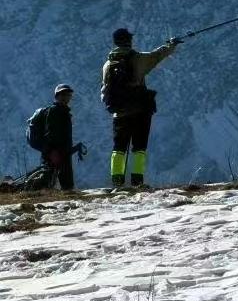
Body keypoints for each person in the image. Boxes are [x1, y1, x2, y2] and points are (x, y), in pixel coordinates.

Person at [102, 27, 180, 188]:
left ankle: (117, 181)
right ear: (129, 40)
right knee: (139, 147)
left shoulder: (107, 65)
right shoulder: (137, 58)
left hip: (119, 113)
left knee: (119, 148)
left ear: (115, 42)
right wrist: (171, 45)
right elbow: (157, 56)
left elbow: (105, 89)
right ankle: (137, 181)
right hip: (140, 111)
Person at [40, 84, 86, 191]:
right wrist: (52, 152)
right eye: (63, 95)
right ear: (57, 96)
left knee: (65, 184)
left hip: (63, 153)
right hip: (55, 154)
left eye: (68, 95)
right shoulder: (54, 111)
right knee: (54, 183)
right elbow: (49, 133)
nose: (66, 97)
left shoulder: (64, 112)